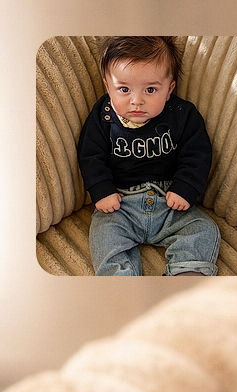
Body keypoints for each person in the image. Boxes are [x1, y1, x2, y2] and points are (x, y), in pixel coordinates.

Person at [77, 36, 219, 276]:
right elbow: (90, 153)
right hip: (119, 204)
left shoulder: (183, 114)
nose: (136, 101)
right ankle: (121, 282)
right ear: (107, 87)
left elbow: (197, 153)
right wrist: (101, 189)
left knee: (203, 229)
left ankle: (186, 272)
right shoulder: (104, 116)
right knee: (104, 235)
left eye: (151, 89)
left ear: (169, 89)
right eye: (124, 89)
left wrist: (185, 188)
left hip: (169, 200)